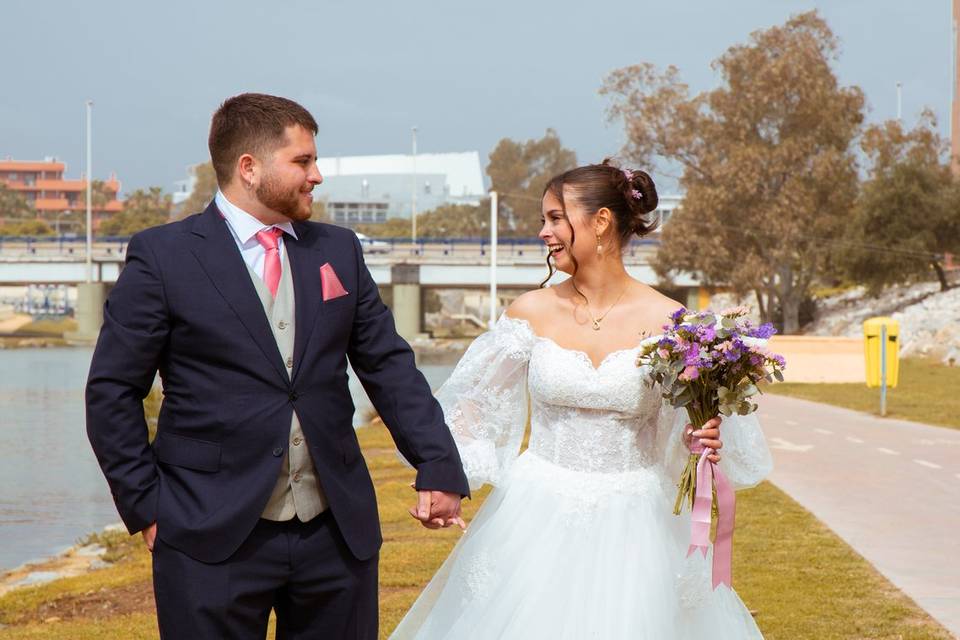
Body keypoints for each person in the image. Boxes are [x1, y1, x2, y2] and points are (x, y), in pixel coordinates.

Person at [85, 93, 469, 640]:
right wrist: (148, 508)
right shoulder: (163, 256)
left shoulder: (338, 250)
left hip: (336, 534)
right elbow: (112, 392)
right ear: (250, 167)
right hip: (204, 531)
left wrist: (437, 463)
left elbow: (387, 365)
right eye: (303, 161)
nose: (317, 175)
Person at [390, 161, 773, 639]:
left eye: (555, 218)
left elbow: (685, 436)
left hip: (637, 520)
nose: (542, 232)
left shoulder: (672, 323)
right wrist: (444, 480)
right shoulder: (530, 311)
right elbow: (473, 408)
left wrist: (701, 435)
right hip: (534, 512)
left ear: (600, 222)